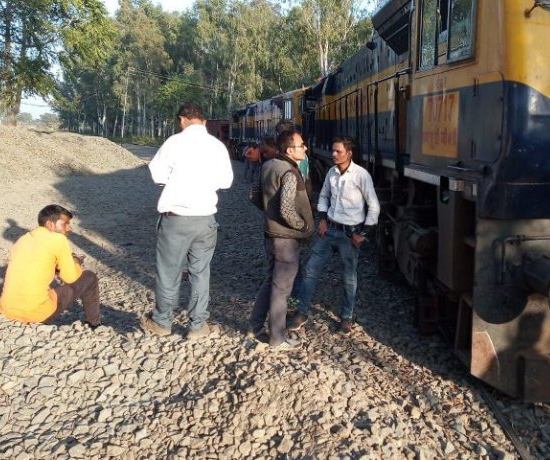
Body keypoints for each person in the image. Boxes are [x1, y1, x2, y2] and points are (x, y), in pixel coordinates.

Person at [141, 102, 234, 340]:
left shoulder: (174, 142)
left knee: (168, 272)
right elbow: (226, 182)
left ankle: (162, 322)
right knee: (200, 273)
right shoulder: (217, 146)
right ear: (202, 120)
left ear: (182, 119)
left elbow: (157, 176)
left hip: (176, 220)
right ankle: (197, 326)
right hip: (205, 220)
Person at [290, 136, 380, 335]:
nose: (333, 154)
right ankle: (302, 311)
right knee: (310, 270)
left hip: (350, 234)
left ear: (349, 153)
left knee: (349, 278)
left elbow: (374, 206)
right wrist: (322, 218)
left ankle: (346, 318)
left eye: (338, 151)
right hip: (329, 230)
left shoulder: (361, 175)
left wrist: (363, 233)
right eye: (332, 150)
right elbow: (323, 196)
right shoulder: (331, 172)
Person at [247, 129, 314, 351]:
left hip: (270, 234)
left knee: (270, 280)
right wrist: (302, 226)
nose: (304, 148)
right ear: (289, 150)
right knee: (281, 289)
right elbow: (286, 209)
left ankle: (255, 326)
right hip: (285, 240)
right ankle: (277, 338)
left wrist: (269, 213)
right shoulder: (289, 172)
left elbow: (254, 195)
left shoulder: (268, 165)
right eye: (301, 145)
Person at [0, 205, 100, 328]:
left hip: (7, 310)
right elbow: (70, 278)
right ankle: (94, 324)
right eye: (65, 224)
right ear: (50, 224)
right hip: (37, 314)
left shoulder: (23, 239)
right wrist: (76, 262)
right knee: (89, 277)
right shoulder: (58, 240)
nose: (69, 227)